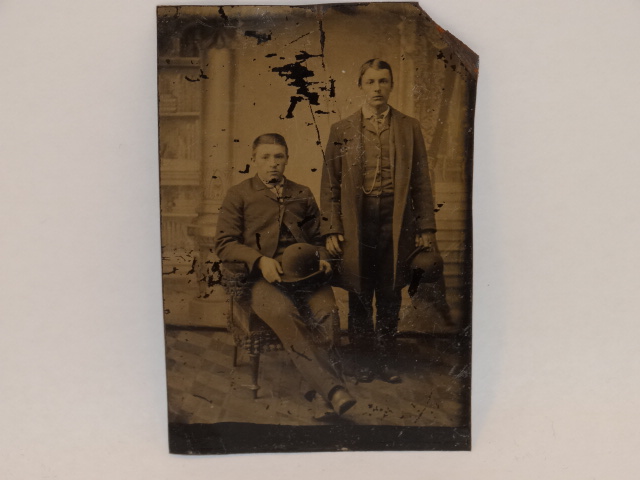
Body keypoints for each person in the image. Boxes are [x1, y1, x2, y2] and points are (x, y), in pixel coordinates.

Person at [215, 133, 356, 416]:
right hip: (263, 280)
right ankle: (332, 391)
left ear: (287, 159)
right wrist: (258, 260)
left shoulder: (302, 193)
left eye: (278, 157)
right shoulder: (239, 194)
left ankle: (315, 389)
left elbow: (319, 237)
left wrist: (324, 257)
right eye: (265, 157)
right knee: (283, 313)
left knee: (328, 313)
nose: (272, 164)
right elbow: (224, 244)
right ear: (253, 160)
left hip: (306, 277)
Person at [320, 59, 444, 382]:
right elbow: (330, 185)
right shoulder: (341, 130)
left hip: (397, 220)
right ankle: (362, 360)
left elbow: (421, 182)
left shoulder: (408, 126)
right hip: (357, 222)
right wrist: (332, 227)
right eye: (371, 81)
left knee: (390, 291)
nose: (377, 88)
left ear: (391, 86)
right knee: (360, 289)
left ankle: (386, 360)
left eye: (383, 81)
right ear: (361, 85)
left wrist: (426, 227)